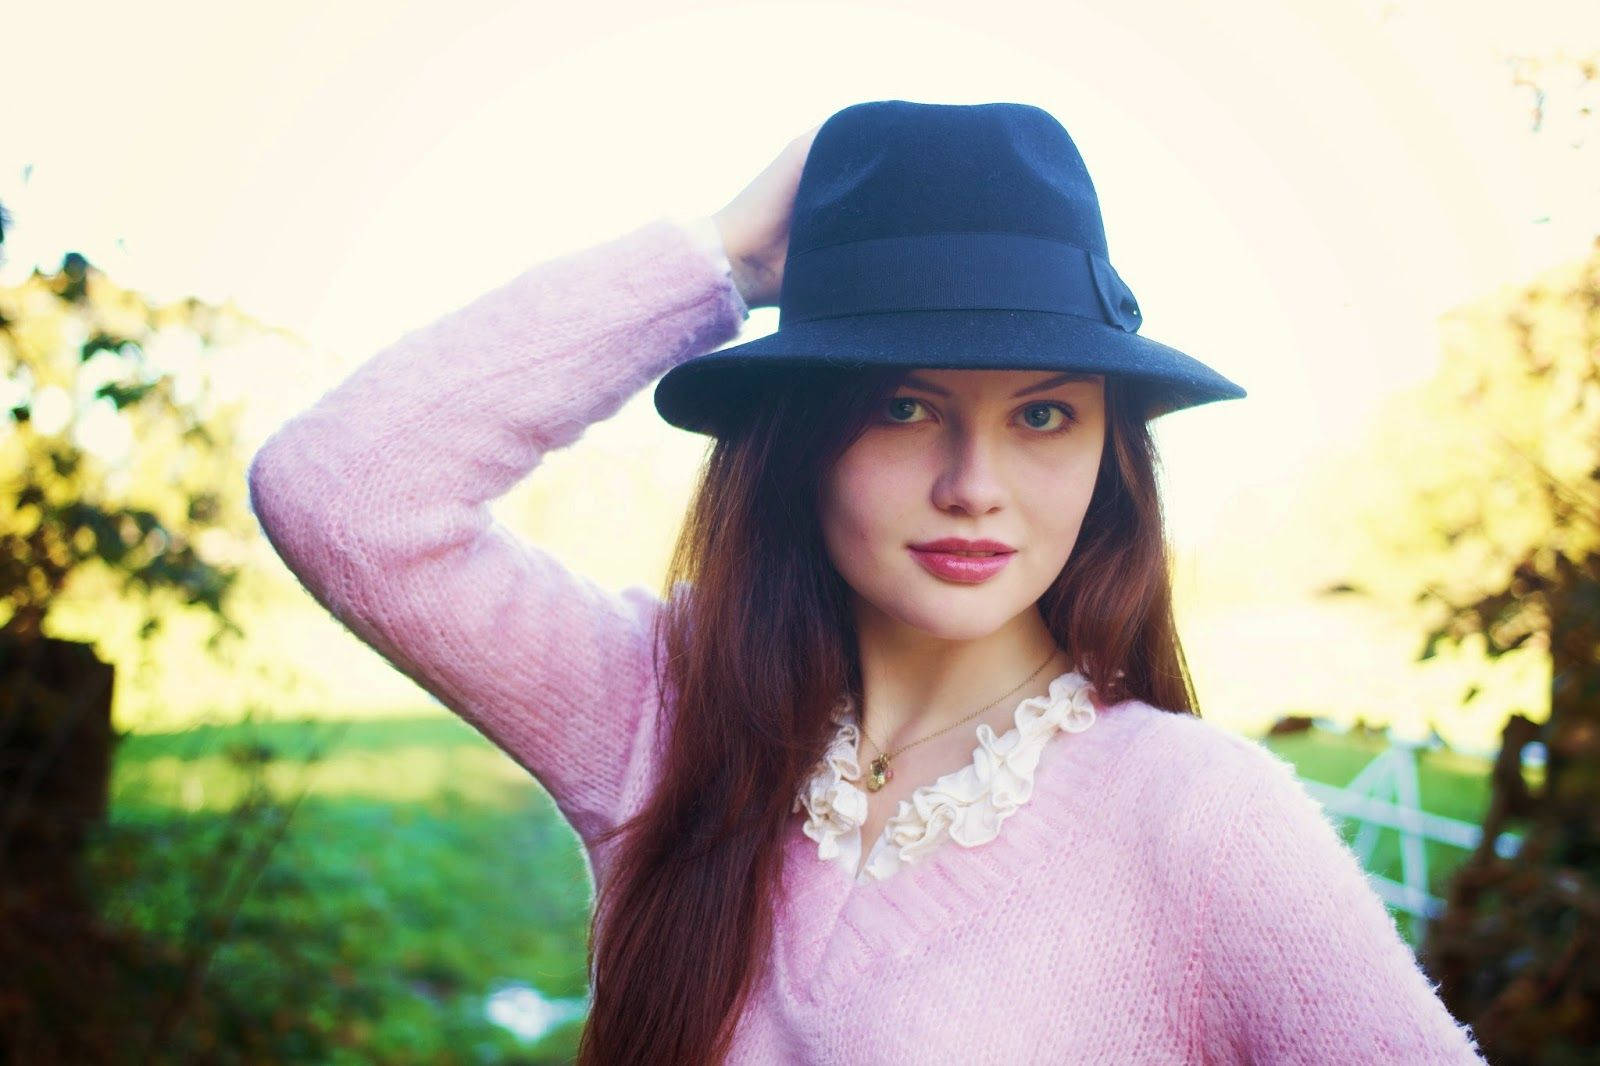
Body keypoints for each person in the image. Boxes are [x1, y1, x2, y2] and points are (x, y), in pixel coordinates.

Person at [248, 100, 1488, 1065]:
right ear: (799, 433)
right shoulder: (660, 712)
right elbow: (344, 493)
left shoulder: (1199, 819)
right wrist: (717, 263)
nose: (974, 483)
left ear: (1113, 455)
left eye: (1045, 413)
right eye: (905, 406)